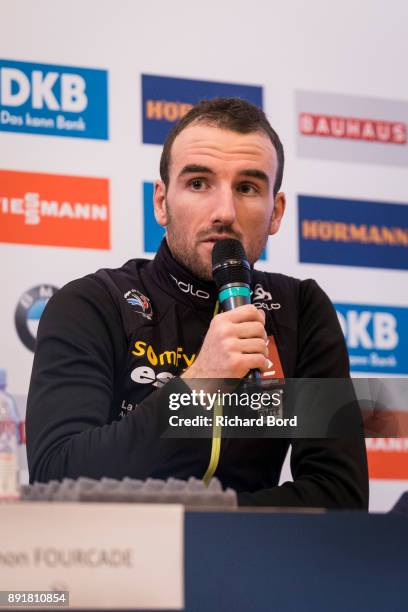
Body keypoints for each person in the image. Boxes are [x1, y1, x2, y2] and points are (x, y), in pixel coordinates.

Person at [26, 97, 368, 508]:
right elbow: (55, 480)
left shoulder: (301, 310)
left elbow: (339, 496)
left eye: (247, 187)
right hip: (119, 564)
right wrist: (198, 386)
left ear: (275, 213)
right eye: (199, 183)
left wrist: (209, 525)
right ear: (160, 202)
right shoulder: (92, 304)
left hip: (251, 566)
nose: (224, 212)